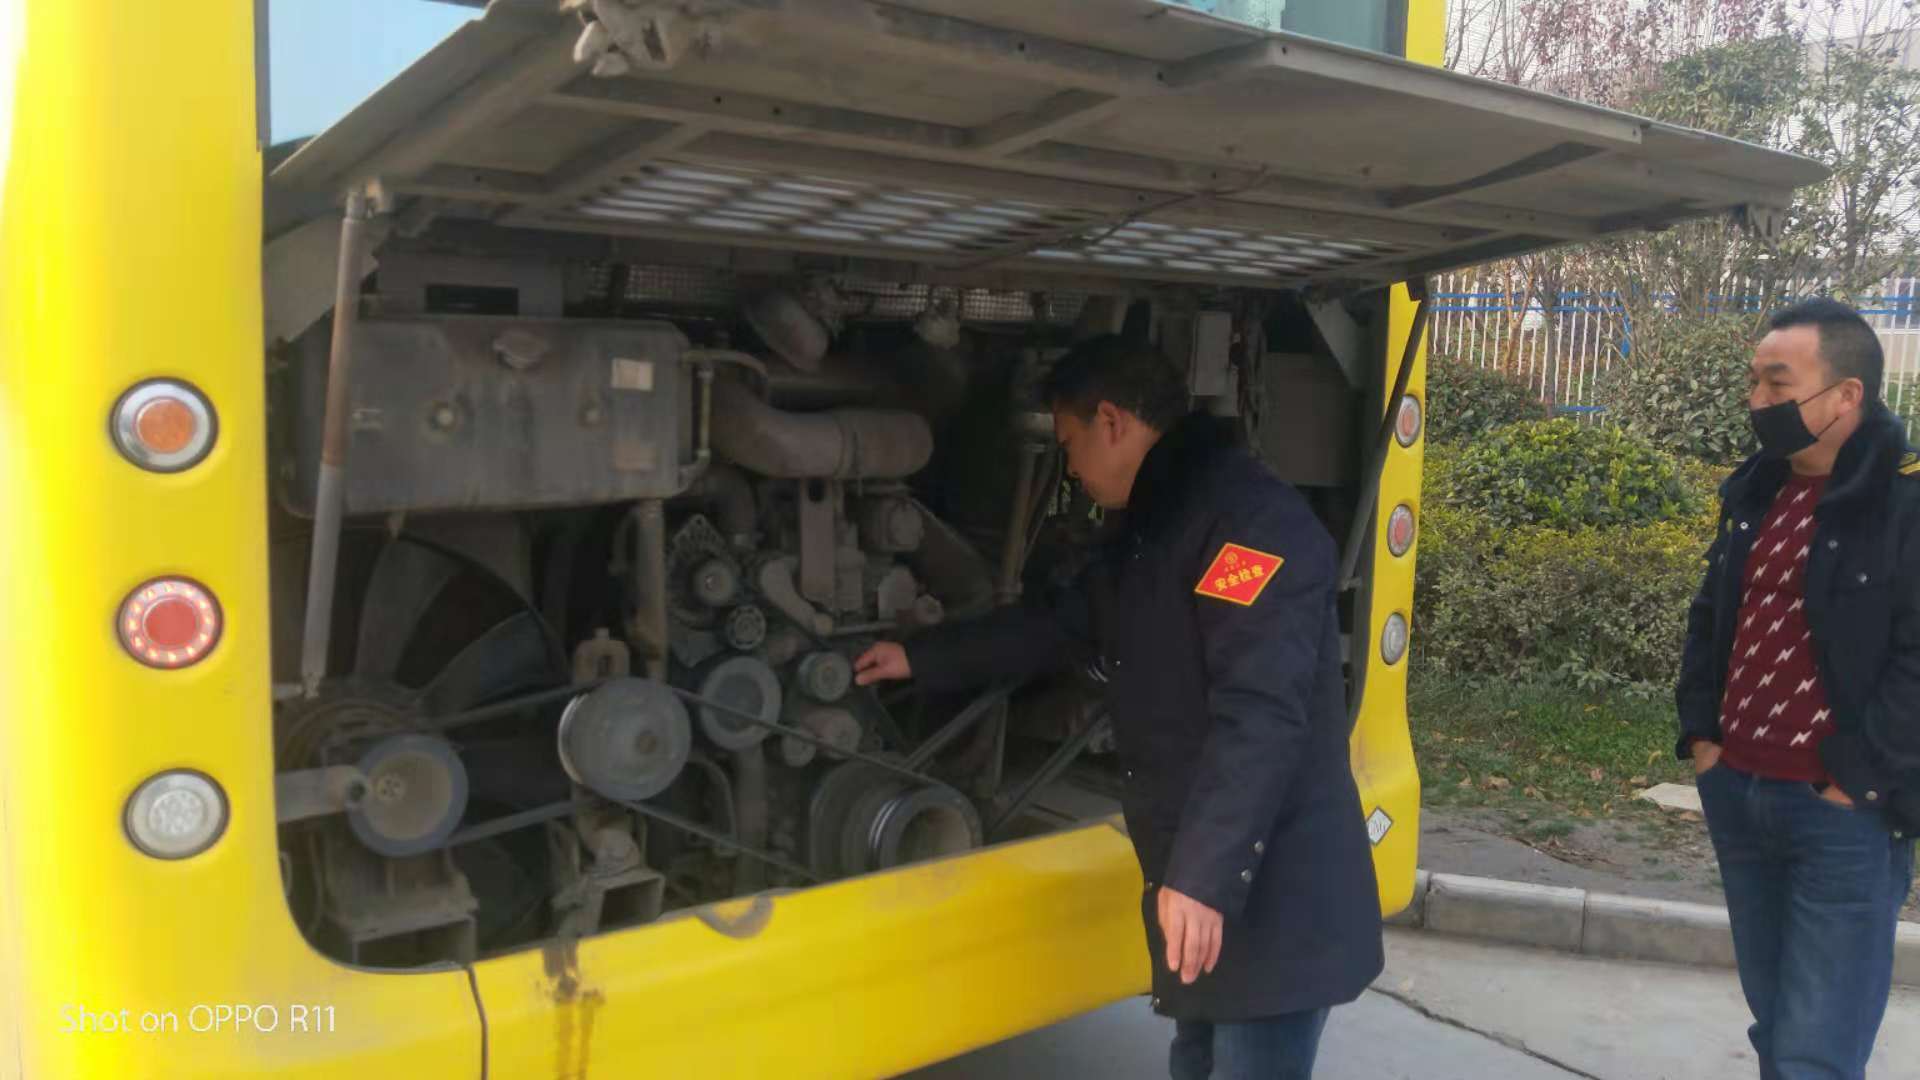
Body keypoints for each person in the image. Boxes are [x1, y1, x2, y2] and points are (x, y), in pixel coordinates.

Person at [855, 335, 1382, 1080]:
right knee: (1196, 1063)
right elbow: (1060, 626)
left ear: (1112, 422)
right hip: (1209, 892)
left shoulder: (1252, 527)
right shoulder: (1160, 526)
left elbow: (1260, 717)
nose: (1069, 466)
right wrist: (922, 658)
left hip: (1274, 898)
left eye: (1069, 442)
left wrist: (1201, 878)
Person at [1677, 298, 1920, 1080]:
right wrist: (1702, 738)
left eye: (1778, 385)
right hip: (1739, 790)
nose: (1758, 401)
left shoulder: (1905, 503)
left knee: (1817, 1047)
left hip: (1842, 815)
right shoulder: (1757, 488)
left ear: (1846, 395)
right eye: (1753, 382)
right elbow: (1712, 616)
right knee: (1777, 1024)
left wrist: (1855, 780)